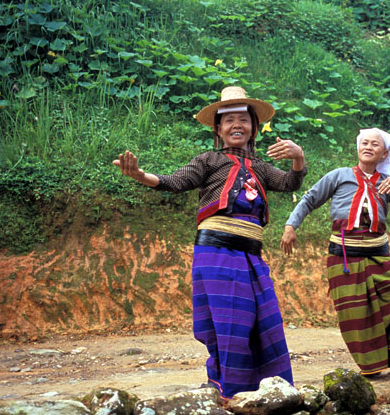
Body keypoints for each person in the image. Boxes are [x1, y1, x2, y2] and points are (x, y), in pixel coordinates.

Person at [113, 86, 307, 399]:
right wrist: (140, 175)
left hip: (252, 256)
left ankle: (268, 389)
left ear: (253, 127)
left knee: (265, 319)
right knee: (231, 321)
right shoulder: (208, 160)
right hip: (217, 252)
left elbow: (290, 182)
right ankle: (228, 388)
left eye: (243, 119)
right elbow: (175, 182)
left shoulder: (262, 168)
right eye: (228, 120)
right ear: (217, 129)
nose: (236, 125)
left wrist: (298, 158)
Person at [281, 128, 390, 378]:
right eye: (364, 143)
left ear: (383, 155)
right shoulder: (339, 176)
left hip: (379, 254)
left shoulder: (387, 182)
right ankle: (372, 365)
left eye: (375, 145)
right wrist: (290, 226)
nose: (368, 146)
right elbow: (309, 200)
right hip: (344, 256)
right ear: (358, 148)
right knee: (358, 314)